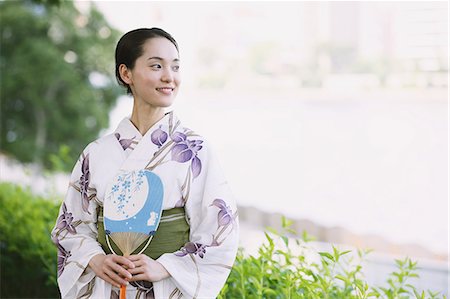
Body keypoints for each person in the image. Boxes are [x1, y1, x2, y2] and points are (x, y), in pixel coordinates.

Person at [51, 28, 239, 299]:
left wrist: (165, 266)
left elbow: (220, 232)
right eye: (156, 66)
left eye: (175, 67)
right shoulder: (97, 153)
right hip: (108, 288)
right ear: (126, 73)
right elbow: (70, 226)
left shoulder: (194, 150)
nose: (169, 77)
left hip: (166, 288)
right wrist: (96, 259)